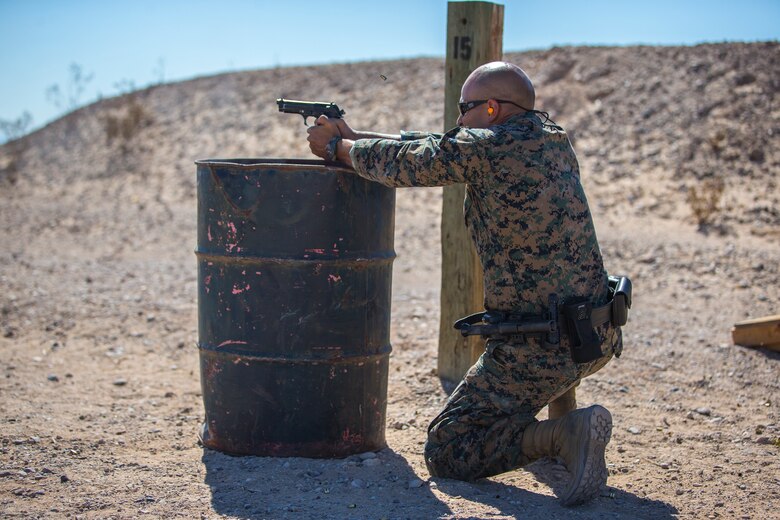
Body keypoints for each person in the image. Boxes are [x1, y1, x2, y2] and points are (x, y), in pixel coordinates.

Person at [306, 61, 623, 506]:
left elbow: (411, 164)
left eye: (465, 108)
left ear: (492, 108)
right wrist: (357, 138)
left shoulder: (488, 147)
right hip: (595, 335)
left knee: (449, 446)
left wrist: (338, 148)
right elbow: (440, 146)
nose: (458, 119)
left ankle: (561, 436)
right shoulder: (551, 138)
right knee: (549, 303)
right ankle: (563, 426)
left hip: (542, 346)